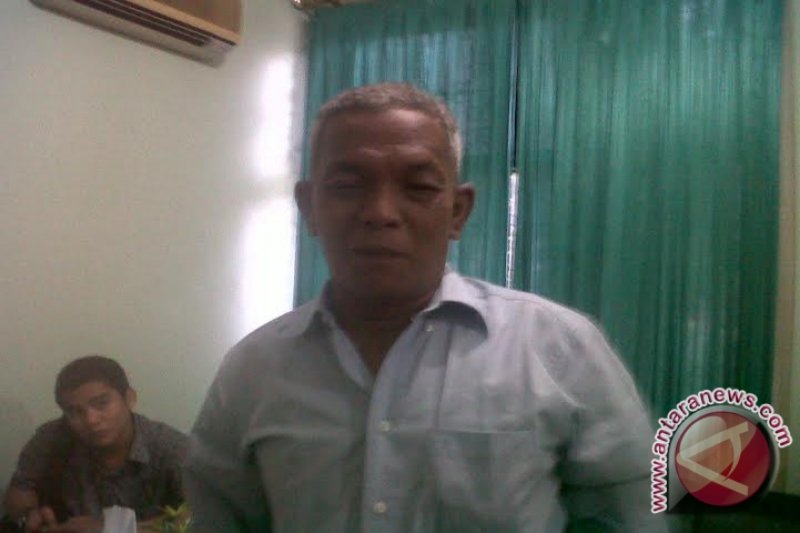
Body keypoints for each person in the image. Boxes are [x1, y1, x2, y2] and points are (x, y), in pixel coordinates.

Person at [184, 83, 664, 532]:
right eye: (348, 185)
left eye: (418, 188)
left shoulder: (559, 347)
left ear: (458, 211)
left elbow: (630, 518)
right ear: (309, 207)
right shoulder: (253, 368)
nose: (381, 213)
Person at [2, 355, 187, 533]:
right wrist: (29, 514)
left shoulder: (173, 449)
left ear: (129, 398)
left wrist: (109, 529)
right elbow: (21, 489)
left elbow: (198, 521)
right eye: (75, 411)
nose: (91, 420)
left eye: (101, 403)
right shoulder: (51, 438)